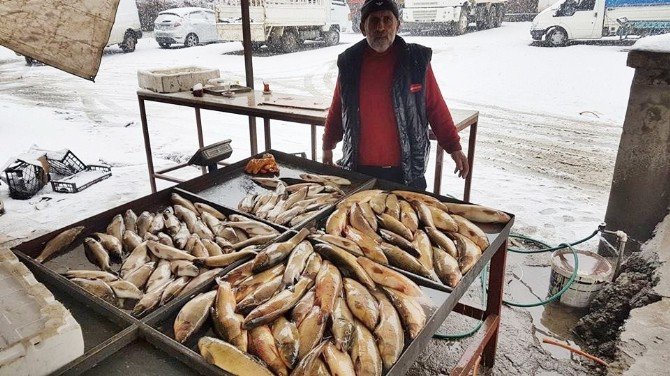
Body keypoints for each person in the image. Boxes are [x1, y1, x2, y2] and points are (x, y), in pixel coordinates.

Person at [321, 0, 469, 191]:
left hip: (406, 172)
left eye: (387, 20)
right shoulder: (350, 62)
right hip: (359, 171)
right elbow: (338, 108)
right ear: (362, 28)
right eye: (373, 20)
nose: (381, 27)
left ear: (397, 25)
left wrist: (454, 147)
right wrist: (327, 147)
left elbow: (435, 107)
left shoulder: (416, 60)